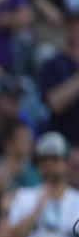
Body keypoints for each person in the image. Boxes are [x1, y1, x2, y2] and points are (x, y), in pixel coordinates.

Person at [39, 10, 79, 146]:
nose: (76, 30)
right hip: (64, 144)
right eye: (73, 25)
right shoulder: (54, 64)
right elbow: (54, 104)